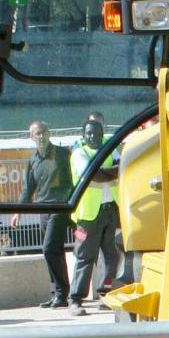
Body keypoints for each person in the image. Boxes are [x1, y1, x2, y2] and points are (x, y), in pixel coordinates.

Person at [69, 113, 122, 310]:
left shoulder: (109, 148)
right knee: (85, 256)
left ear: (102, 134)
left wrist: (106, 172)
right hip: (87, 215)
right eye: (88, 134)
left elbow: (122, 165)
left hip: (109, 211)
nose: (92, 137)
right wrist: (113, 171)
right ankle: (75, 299)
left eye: (96, 133)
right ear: (83, 136)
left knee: (111, 256)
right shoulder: (79, 154)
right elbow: (94, 176)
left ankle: (105, 293)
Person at [25, 120, 76, 306]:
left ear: (50, 134)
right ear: (31, 137)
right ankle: (56, 293)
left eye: (45, 132)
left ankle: (63, 292)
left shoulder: (62, 154)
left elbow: (72, 180)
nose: (42, 136)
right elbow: (29, 186)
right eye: (38, 133)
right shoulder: (33, 159)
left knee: (49, 249)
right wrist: (17, 212)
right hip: (42, 209)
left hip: (59, 208)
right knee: (53, 251)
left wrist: (70, 204)